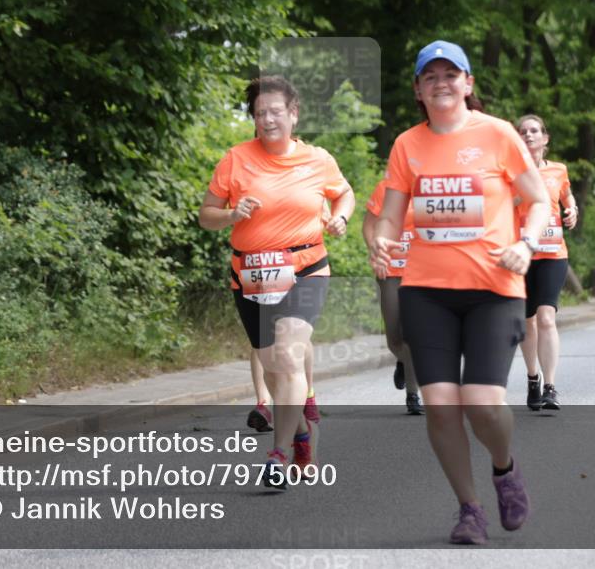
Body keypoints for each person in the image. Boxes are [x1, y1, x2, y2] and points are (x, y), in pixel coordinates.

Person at [371, 40, 550, 544]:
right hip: (426, 291)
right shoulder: (407, 144)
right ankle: (470, 509)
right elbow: (389, 213)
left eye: (453, 74)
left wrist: (527, 242)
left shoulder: (498, 135)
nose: (442, 83)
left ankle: (504, 467)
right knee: (443, 405)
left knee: (483, 403)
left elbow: (537, 201)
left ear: (468, 84)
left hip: (495, 288)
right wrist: (381, 244)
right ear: (418, 90)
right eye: (432, 77)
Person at [198, 75, 355, 488]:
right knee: (271, 367)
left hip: (305, 269)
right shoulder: (235, 159)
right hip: (250, 277)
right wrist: (232, 215)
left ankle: (277, 454)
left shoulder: (317, 159)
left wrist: (340, 217)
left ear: (294, 114)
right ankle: (301, 429)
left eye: (275, 111)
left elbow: (344, 194)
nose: (267, 119)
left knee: (288, 354)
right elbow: (206, 215)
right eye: (260, 113)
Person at [515, 114, 577, 411]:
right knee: (527, 322)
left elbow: (566, 195)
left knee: (546, 317)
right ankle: (532, 377)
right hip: (523, 255)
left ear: (545, 138)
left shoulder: (559, 170)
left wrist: (573, 209)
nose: (528, 135)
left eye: (534, 131)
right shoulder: (509, 172)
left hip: (553, 252)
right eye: (523, 131)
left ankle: (550, 386)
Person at [364, 180, 423, 415]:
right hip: (390, 270)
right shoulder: (386, 187)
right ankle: (404, 361)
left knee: (412, 334)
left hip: (422, 272)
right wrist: (376, 253)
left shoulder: (433, 185)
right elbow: (369, 226)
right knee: (394, 338)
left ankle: (413, 394)